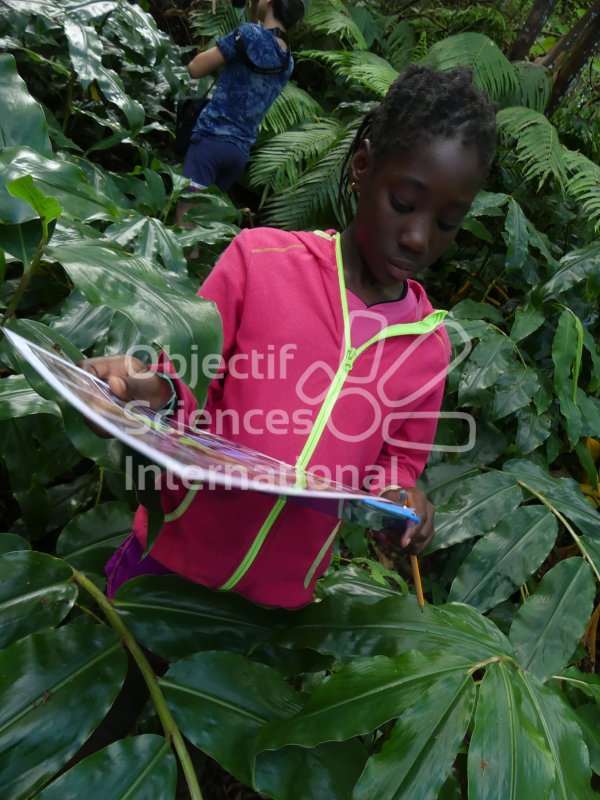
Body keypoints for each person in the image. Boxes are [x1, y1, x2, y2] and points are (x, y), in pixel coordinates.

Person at [83, 65, 497, 610]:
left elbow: (396, 466)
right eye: (404, 203)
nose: (420, 236)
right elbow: (183, 384)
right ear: (363, 166)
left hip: (276, 611)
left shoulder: (428, 350)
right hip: (166, 563)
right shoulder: (259, 263)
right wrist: (148, 390)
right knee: (121, 688)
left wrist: (401, 503)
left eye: (447, 222)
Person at [180, 0, 309, 197]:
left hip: (211, 140)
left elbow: (195, 68)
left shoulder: (250, 35)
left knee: (186, 220)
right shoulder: (287, 61)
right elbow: (258, 42)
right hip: (238, 153)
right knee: (205, 222)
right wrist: (255, 9)